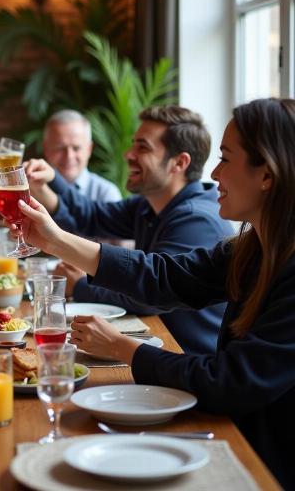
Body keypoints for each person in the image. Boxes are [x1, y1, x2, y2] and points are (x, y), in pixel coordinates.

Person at [16, 98, 295, 489]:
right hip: (234, 433)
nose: (214, 173)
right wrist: (57, 240)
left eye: (226, 159)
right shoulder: (250, 249)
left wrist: (125, 349)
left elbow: (230, 382)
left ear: (266, 174)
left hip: (266, 465)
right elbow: (166, 277)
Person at [26, 106, 233, 355]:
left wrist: (80, 286)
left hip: (183, 359)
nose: (128, 154)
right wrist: (53, 179)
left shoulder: (195, 219)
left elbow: (148, 295)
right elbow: (91, 216)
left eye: (142, 147)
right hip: (153, 344)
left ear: (179, 162)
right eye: (133, 144)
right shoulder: (150, 205)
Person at [42, 109, 122, 202]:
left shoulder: (106, 194)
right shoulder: (32, 191)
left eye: (76, 148)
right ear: (46, 149)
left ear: (89, 149)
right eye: (60, 148)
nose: (69, 156)